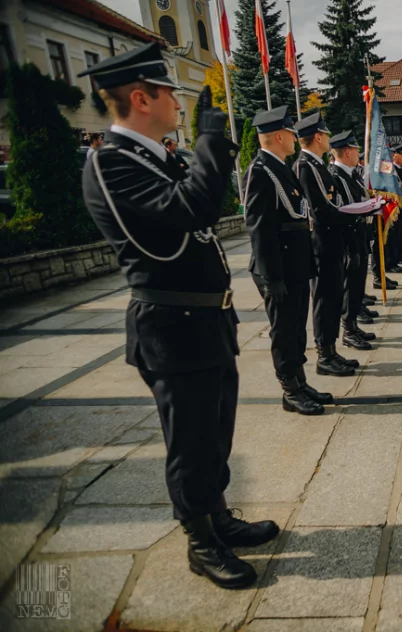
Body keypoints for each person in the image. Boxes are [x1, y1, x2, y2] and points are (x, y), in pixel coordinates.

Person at [79, 42, 276, 590]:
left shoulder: (153, 155)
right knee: (189, 442)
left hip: (206, 321)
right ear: (141, 98)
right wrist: (213, 138)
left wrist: (200, 150)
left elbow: (201, 207)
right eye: (170, 91)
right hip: (172, 328)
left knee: (215, 432)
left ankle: (217, 516)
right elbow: (190, 211)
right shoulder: (110, 162)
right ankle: (200, 541)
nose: (178, 100)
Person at [244, 105, 324, 416]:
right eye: (291, 133)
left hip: (295, 265)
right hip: (278, 268)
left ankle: (300, 382)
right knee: (284, 330)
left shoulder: (280, 168)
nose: (295, 139)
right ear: (279, 135)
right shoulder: (261, 171)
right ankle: (289, 390)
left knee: (296, 329)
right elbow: (260, 228)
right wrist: (271, 277)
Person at [294, 111, 367, 378]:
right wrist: (356, 212)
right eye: (325, 134)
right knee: (325, 301)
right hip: (321, 247)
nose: (328, 138)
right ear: (317, 137)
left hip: (332, 244)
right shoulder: (306, 167)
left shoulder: (318, 166)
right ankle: (324, 355)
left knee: (333, 299)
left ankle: (332, 350)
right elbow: (321, 212)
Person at [329, 131, 376, 351]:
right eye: (356, 149)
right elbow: (343, 210)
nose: (359, 153)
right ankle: (348, 330)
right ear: (347, 151)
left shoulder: (352, 175)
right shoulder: (336, 176)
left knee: (357, 286)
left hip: (360, 236)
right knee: (350, 288)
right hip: (349, 240)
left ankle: (354, 325)